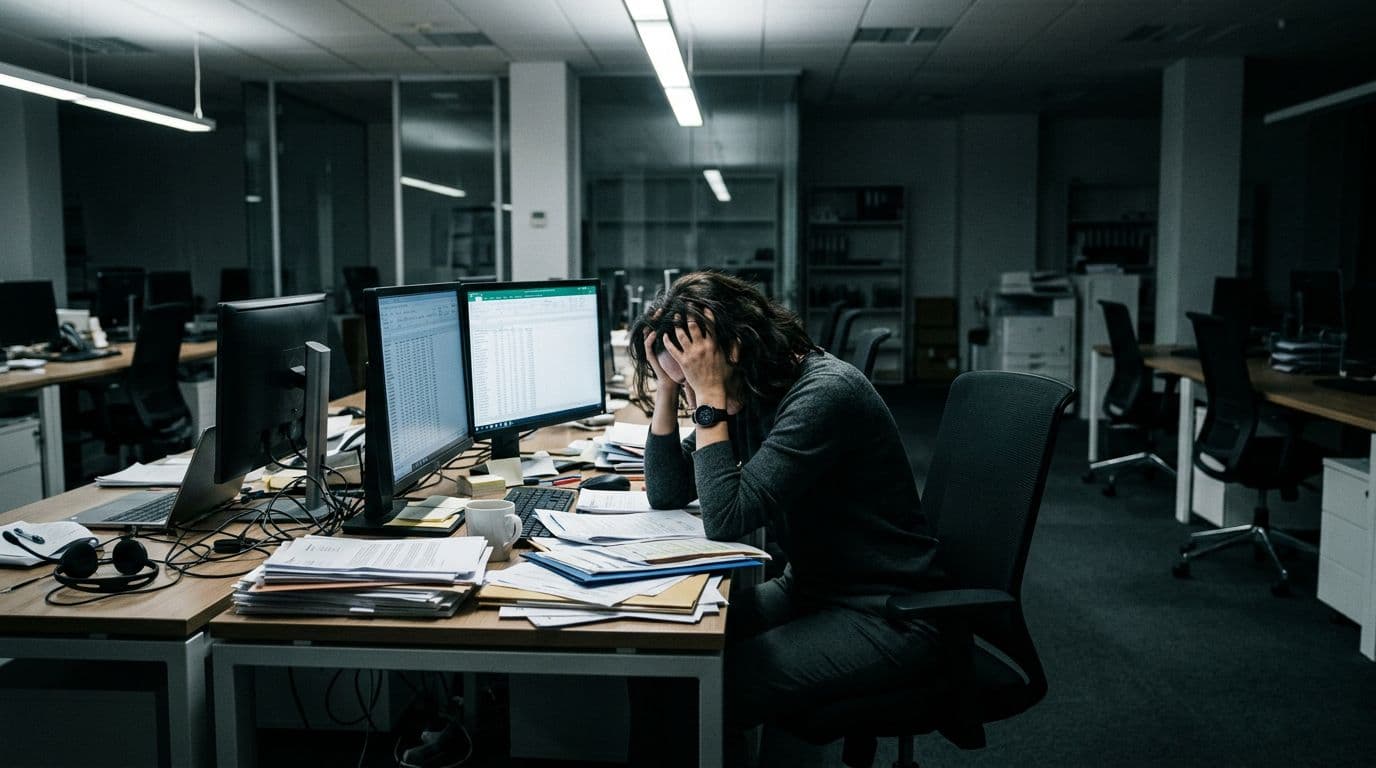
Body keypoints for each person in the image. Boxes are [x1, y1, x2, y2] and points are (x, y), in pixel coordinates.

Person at [626, 271, 943, 764]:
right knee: (664, 656)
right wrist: (669, 392)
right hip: (815, 589)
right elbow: (669, 492)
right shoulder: (753, 384)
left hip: (889, 612)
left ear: (735, 348)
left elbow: (727, 517)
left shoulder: (822, 393)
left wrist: (709, 403)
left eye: (695, 376)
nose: (694, 392)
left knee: (709, 683)